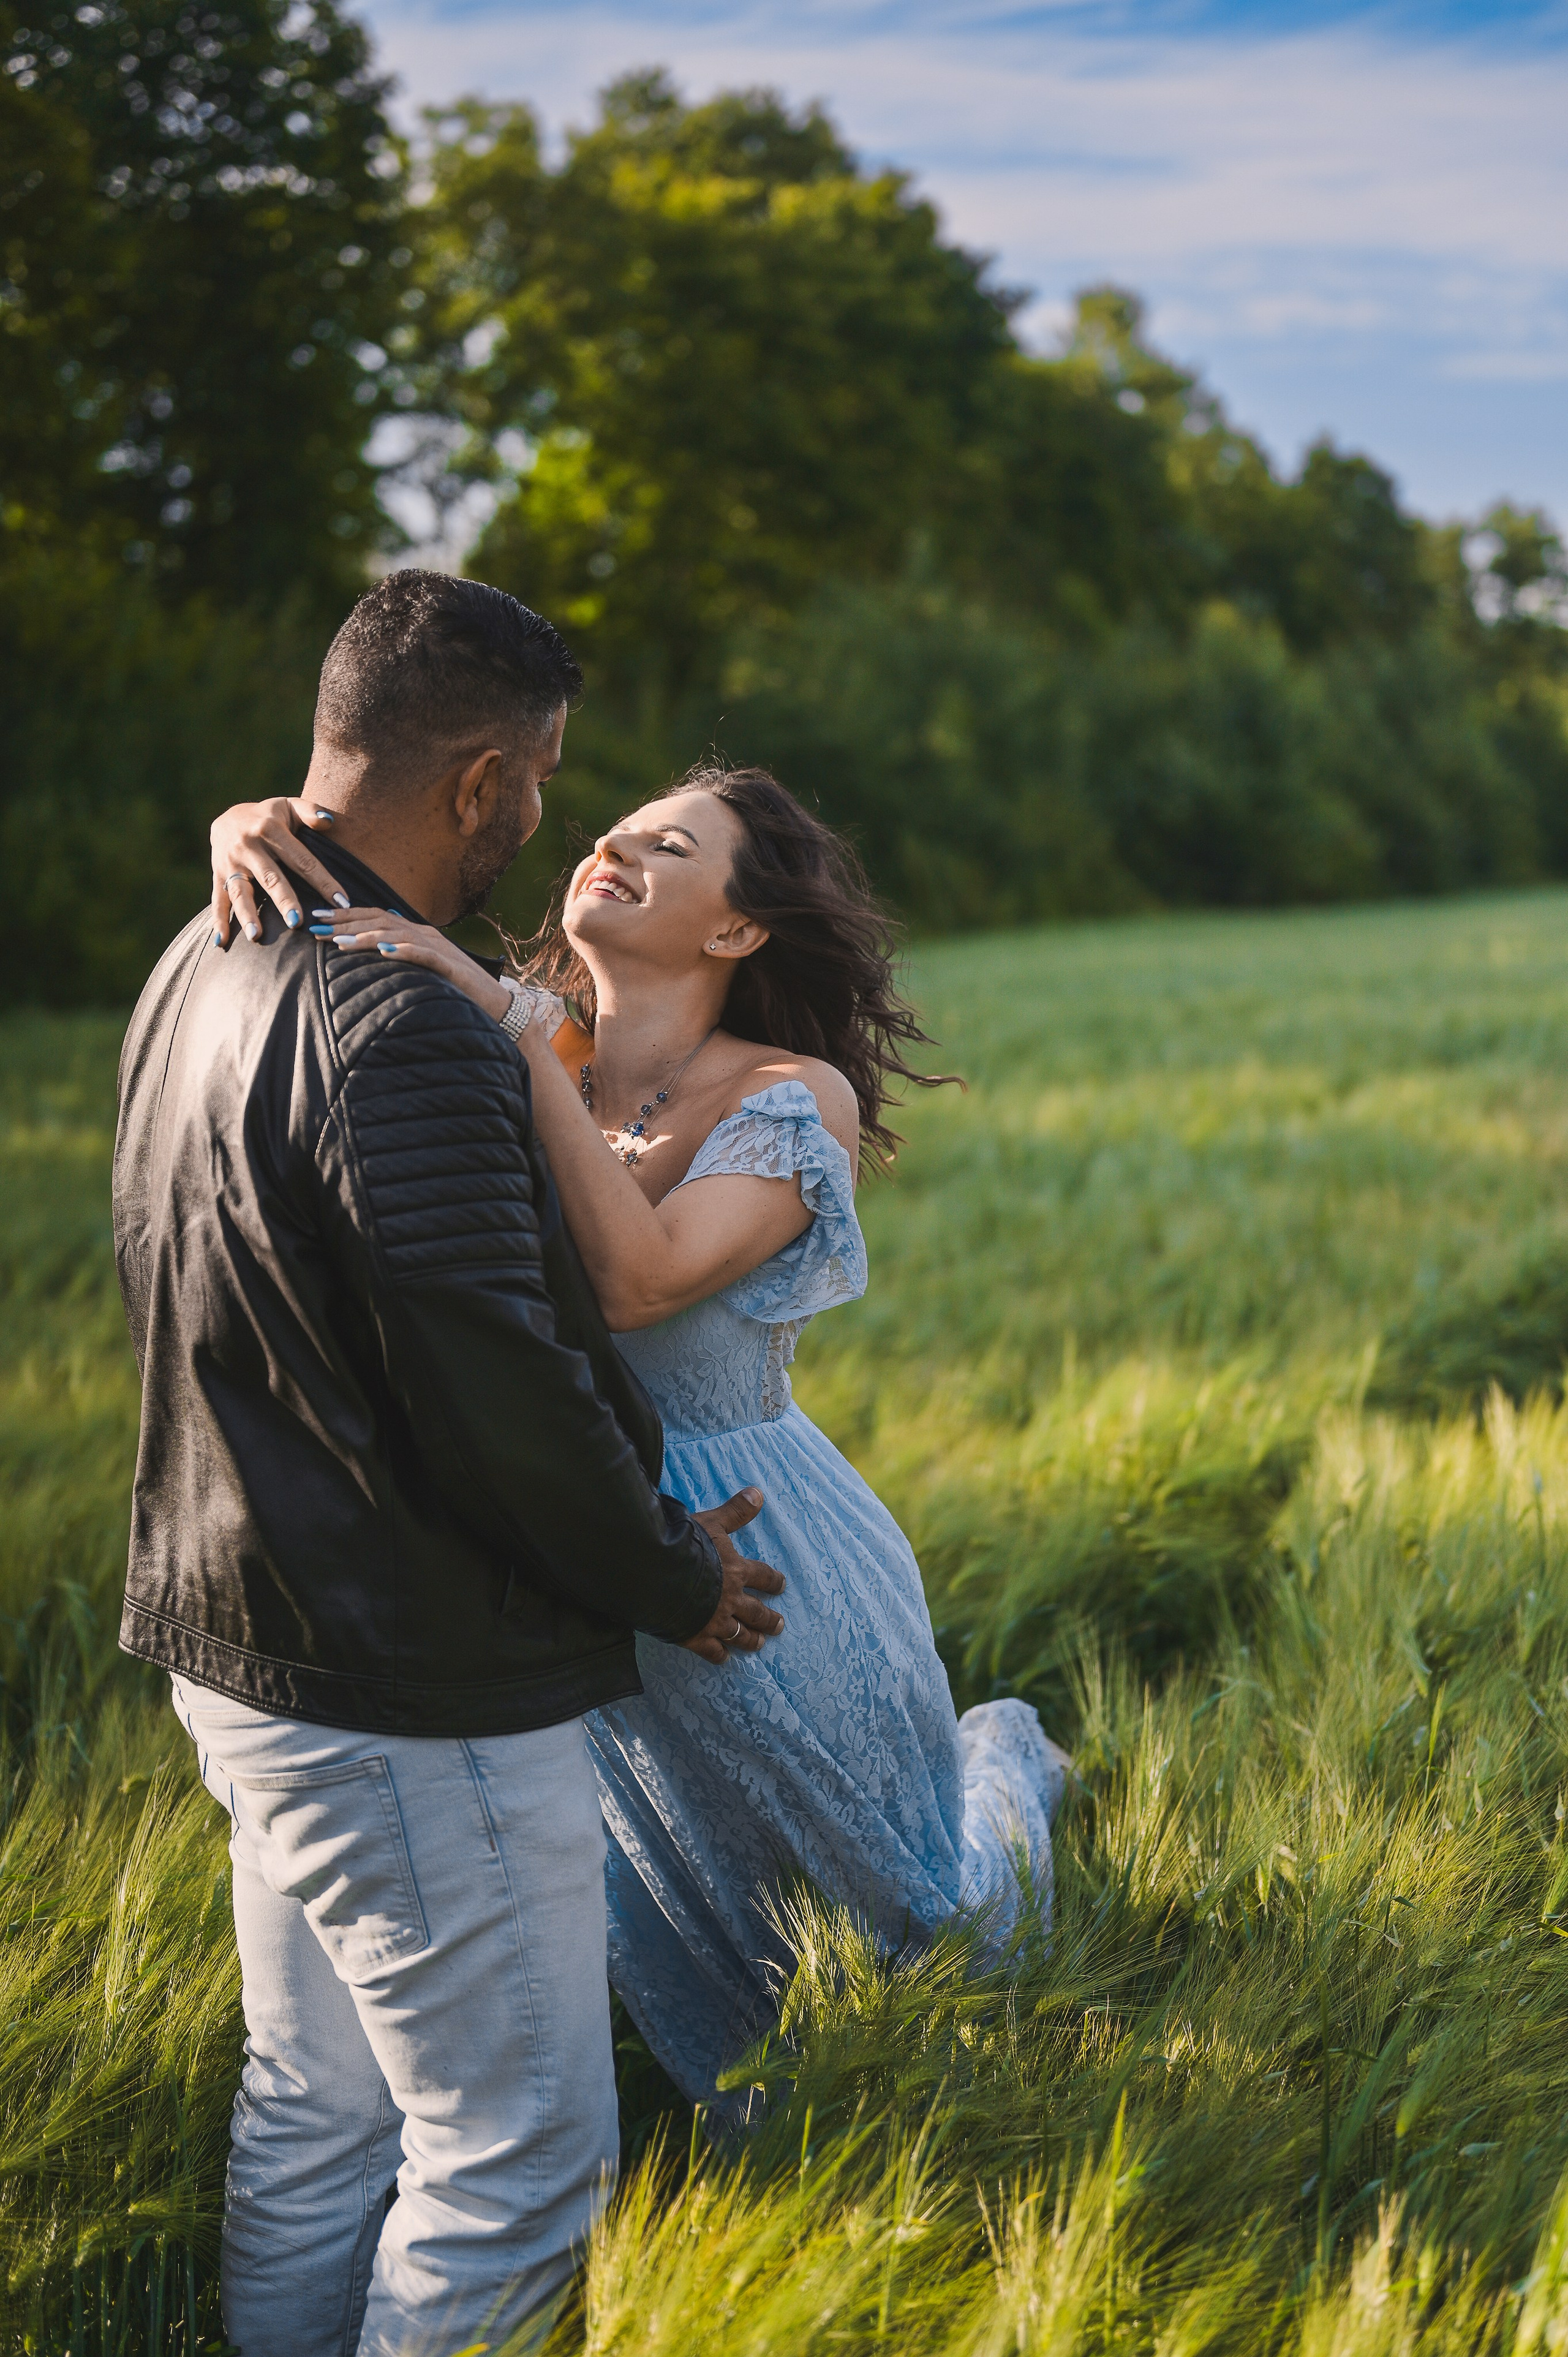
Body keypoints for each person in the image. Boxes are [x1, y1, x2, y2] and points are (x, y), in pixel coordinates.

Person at [114, 570, 785, 2357]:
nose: (550, 820)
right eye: (547, 780)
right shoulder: (395, 1029)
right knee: (515, 2154)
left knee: (316, 2111)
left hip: (241, 1638)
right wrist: (673, 1572)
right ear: (484, 782)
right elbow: (497, 1387)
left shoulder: (202, 952)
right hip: (405, 1681)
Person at [209, 755, 1068, 2130]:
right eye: (613, 832)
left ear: (734, 929)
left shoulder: (787, 1098)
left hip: (763, 1555)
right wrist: (259, 825)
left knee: (909, 1925)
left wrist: (517, 1027)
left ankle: (1006, 1777)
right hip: (577, 1541)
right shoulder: (523, 1047)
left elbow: (642, 1279)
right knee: (693, 1917)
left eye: (667, 848)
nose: (612, 849)